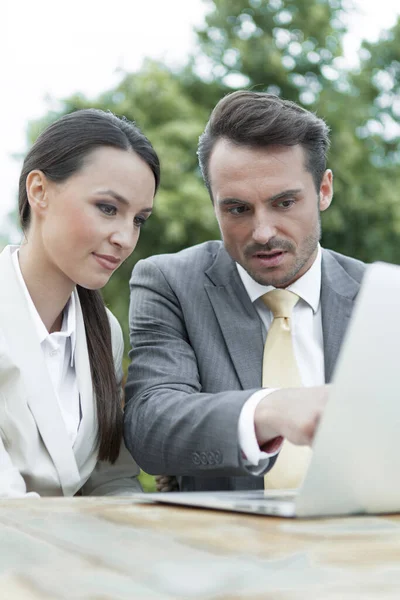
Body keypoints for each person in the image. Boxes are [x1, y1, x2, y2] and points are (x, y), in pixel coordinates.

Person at [124, 91, 365, 493]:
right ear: (214, 204)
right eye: (237, 209)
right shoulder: (170, 283)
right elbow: (150, 426)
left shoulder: (382, 295)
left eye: (284, 202)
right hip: (225, 549)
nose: (263, 233)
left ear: (324, 190)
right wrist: (268, 411)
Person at [0, 108, 160, 497]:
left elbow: (112, 479)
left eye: (139, 219)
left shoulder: (105, 331)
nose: (125, 237)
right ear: (38, 191)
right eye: (108, 208)